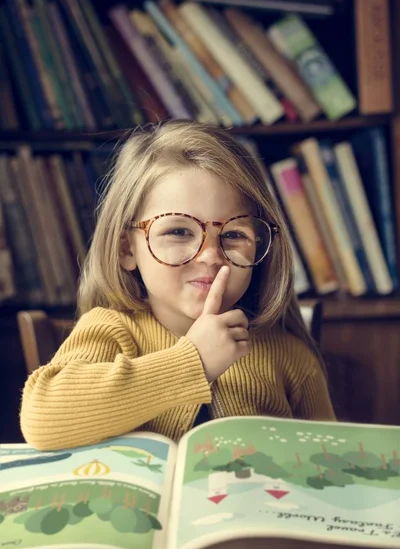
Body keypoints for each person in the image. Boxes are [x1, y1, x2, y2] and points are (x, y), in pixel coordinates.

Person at [20, 120, 335, 451]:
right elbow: (42, 420)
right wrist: (193, 363)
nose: (211, 255)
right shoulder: (111, 331)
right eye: (179, 232)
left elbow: (331, 468)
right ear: (127, 249)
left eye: (233, 235)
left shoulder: (290, 356)